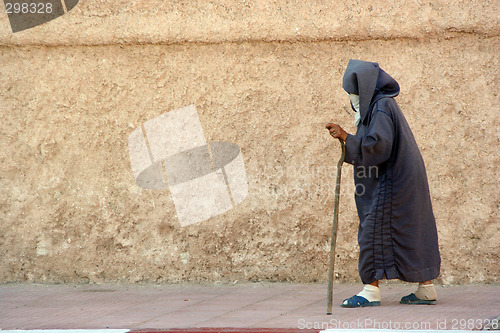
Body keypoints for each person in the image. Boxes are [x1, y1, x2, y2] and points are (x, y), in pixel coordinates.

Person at [326, 59, 441, 308]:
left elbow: (378, 148)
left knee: (372, 229)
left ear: (364, 91)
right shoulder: (381, 106)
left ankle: (370, 290)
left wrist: (346, 137)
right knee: (410, 228)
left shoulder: (380, 107)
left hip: (393, 181)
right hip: (404, 178)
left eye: (353, 94)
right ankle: (425, 289)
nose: (352, 100)